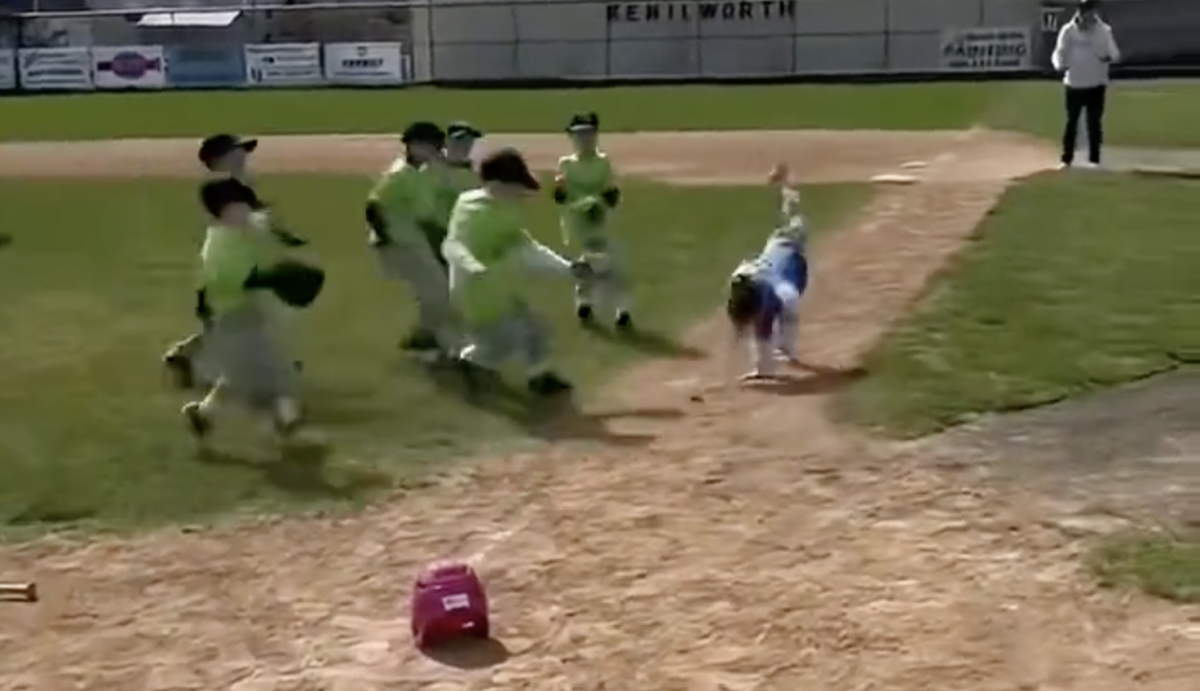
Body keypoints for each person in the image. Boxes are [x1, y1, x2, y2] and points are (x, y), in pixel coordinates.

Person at [441, 148, 593, 396]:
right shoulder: (472, 210)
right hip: (475, 292)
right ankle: (467, 361)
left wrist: (567, 268)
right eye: (516, 185)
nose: (521, 192)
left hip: (502, 288)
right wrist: (473, 266)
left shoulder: (507, 208)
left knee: (536, 328)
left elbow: (526, 247)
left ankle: (538, 377)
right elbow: (454, 246)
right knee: (504, 342)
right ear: (496, 184)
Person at [163, 134, 309, 390]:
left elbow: (258, 214)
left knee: (237, 319)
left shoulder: (238, 184)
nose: (244, 156)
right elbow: (248, 216)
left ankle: (186, 355)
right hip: (226, 260)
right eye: (237, 151)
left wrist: (285, 236)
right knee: (241, 318)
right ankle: (272, 364)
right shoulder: (217, 187)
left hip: (238, 256)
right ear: (219, 158)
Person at [182, 178, 318, 440]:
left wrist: (286, 237)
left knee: (242, 373)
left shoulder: (241, 227)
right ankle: (286, 416)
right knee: (276, 367)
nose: (248, 212)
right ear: (225, 211)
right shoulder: (219, 244)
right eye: (242, 206)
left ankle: (203, 414)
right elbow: (227, 280)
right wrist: (272, 279)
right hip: (231, 315)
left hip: (249, 310)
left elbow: (262, 220)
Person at [366, 121, 458, 360]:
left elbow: (423, 215)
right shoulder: (399, 174)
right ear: (415, 146)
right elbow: (373, 206)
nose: (439, 152)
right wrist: (385, 237)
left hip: (413, 241)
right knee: (436, 291)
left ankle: (423, 339)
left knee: (437, 290)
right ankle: (424, 342)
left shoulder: (420, 173)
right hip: (397, 244)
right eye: (434, 147)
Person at [724, 164, 810, 382]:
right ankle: (785, 183)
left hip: (792, 262)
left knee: (793, 218)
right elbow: (746, 320)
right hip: (775, 253)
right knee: (788, 219)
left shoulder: (781, 293)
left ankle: (787, 183)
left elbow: (764, 328)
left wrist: (776, 359)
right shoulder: (738, 285)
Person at [553, 112, 629, 330]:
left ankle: (620, 310)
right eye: (578, 135)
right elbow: (561, 195)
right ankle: (585, 303)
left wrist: (600, 204)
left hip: (601, 219)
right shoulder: (566, 164)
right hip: (577, 222)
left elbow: (612, 192)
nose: (583, 139)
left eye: (588, 134)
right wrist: (561, 194)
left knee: (610, 264)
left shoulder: (603, 162)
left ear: (595, 136)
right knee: (586, 264)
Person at [1051, 0, 1120, 168]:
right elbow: (1059, 52)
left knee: (1094, 123)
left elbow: (1115, 53)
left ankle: (1094, 160)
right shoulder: (1068, 31)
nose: (1086, 15)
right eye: (1083, 11)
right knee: (1071, 122)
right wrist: (1059, 64)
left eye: (1089, 11)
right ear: (1079, 12)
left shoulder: (1104, 31)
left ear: (1094, 12)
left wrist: (1109, 56)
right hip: (1074, 83)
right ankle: (1066, 159)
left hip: (1096, 83)